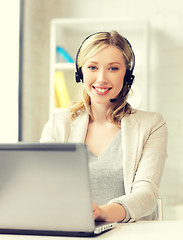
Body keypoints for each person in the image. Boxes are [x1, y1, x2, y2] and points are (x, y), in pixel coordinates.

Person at [40, 31, 167, 223]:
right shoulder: (58, 124)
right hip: (71, 231)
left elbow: (146, 195)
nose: (101, 78)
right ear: (80, 72)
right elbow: (43, 187)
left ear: (127, 75)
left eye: (113, 68)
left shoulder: (152, 125)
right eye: (92, 67)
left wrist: (102, 213)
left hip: (129, 234)